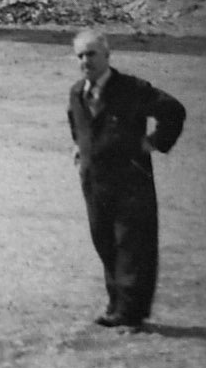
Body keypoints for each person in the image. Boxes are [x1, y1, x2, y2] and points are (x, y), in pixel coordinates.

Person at [68, 29, 186, 332]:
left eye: (92, 54)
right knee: (104, 241)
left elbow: (173, 110)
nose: (85, 61)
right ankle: (116, 306)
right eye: (80, 55)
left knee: (133, 245)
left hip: (130, 179)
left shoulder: (131, 88)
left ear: (107, 56)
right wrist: (79, 148)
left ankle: (132, 314)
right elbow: (76, 122)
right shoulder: (77, 92)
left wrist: (155, 141)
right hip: (94, 180)